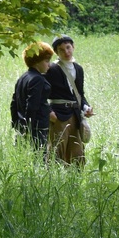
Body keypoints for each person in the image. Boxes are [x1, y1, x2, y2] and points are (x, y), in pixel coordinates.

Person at [45, 35, 94, 165]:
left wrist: (86, 108)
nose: (66, 52)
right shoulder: (51, 69)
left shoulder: (78, 68)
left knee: (77, 154)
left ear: (73, 47)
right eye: (61, 50)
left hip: (75, 115)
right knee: (56, 152)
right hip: (58, 115)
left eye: (68, 47)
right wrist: (49, 112)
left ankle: (76, 177)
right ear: (56, 52)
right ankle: (53, 176)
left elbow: (79, 94)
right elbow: (41, 95)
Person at [10, 41, 54, 155]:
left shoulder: (23, 78)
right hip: (36, 128)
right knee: (38, 159)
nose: (49, 65)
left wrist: (17, 124)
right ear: (36, 61)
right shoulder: (37, 79)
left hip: (22, 126)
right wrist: (29, 128)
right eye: (46, 61)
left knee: (22, 157)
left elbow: (14, 103)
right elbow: (32, 106)